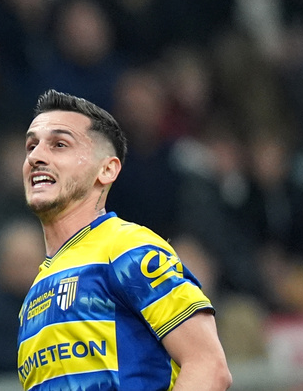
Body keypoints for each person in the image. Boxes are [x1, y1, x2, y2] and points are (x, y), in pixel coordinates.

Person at [16, 89, 231, 390]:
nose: (36, 156)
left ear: (106, 169)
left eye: (59, 144)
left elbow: (209, 366)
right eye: (31, 146)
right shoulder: (34, 294)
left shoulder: (127, 248)